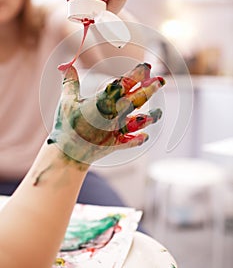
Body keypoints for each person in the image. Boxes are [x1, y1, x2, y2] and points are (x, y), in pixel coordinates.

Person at [0, 0, 141, 207]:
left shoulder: (49, 24)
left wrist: (102, 8)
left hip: (57, 170)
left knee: (125, 236)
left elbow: (123, 63)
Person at [0, 62, 165, 268]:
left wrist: (75, 145)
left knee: (132, 239)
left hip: (53, 164)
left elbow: (127, 55)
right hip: (51, 164)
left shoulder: (54, 30)